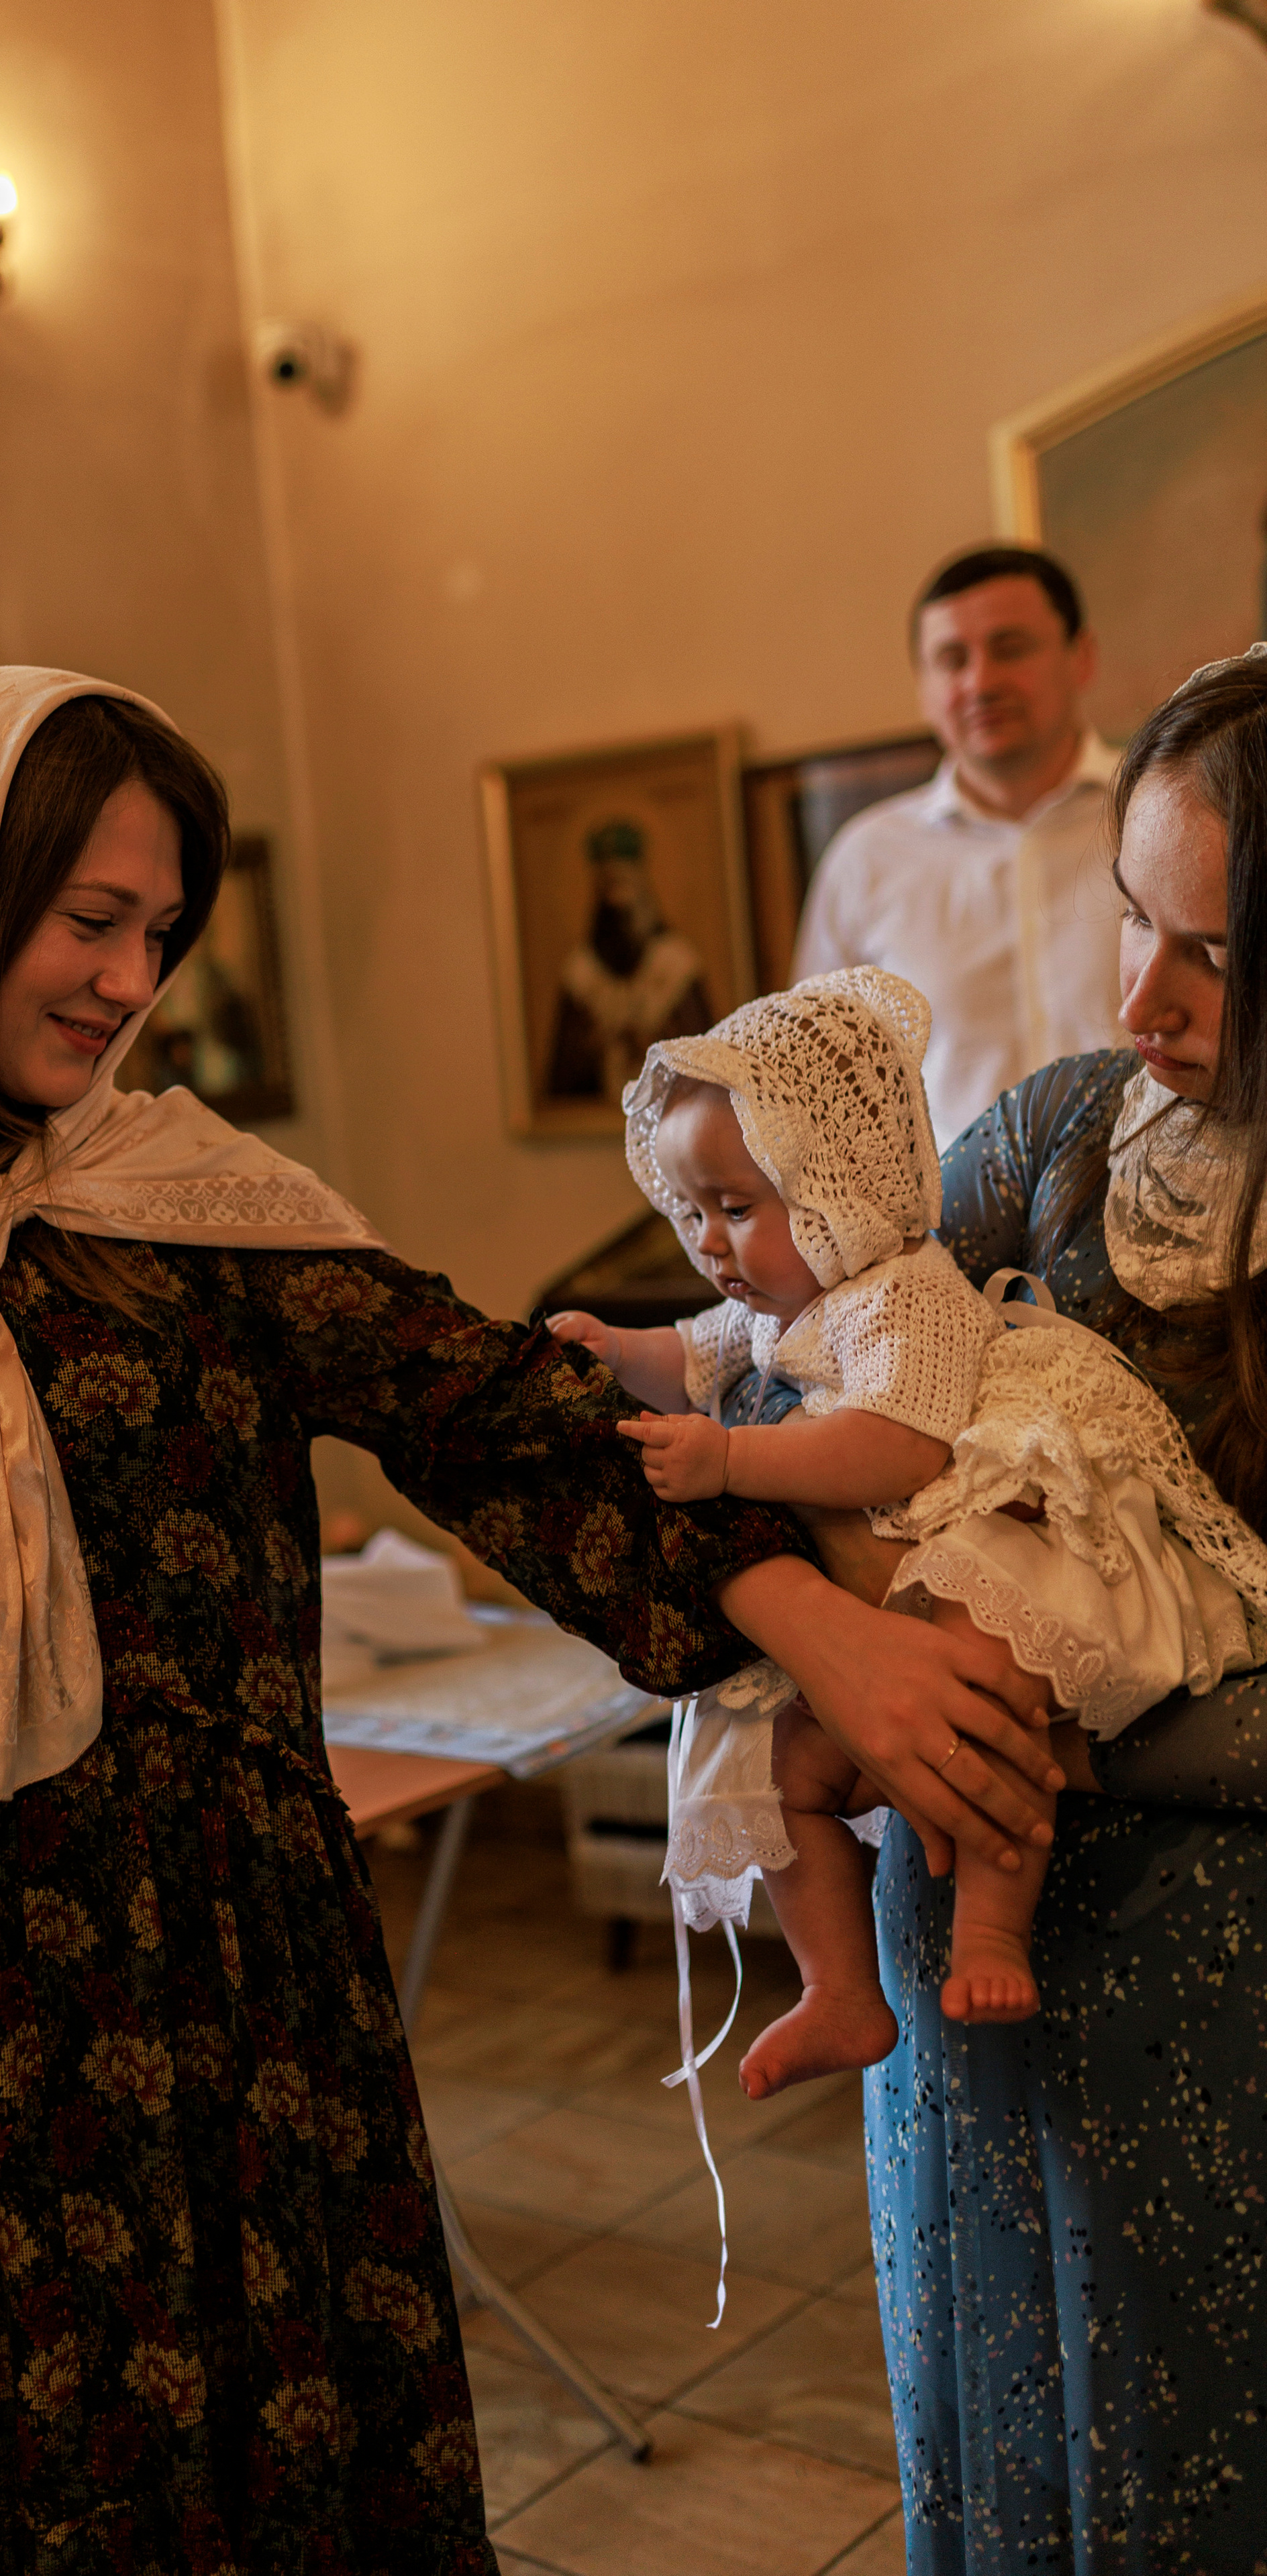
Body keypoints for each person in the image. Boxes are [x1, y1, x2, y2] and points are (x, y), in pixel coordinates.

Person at [0, 667, 1059, 2576]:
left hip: (229, 2028)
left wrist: (810, 1623)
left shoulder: (188, 1209)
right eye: (87, 919)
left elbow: (507, 1423)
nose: (126, 982)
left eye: (159, 937)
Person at [553, 967, 1267, 2102]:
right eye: (691, 1212)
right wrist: (614, 1349)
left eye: (737, 1209)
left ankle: (993, 1924)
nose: (711, 1245)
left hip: (972, 1526)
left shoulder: (904, 1291)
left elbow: (896, 1450)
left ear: (834, 1188)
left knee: (981, 1690)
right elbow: (693, 1350)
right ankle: (838, 1987)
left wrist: (734, 1459)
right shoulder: (774, 1306)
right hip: (877, 1588)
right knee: (788, 1773)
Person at [858, 647, 1267, 2569]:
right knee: (996, 2434)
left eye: (1217, 955)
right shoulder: (1059, 1134)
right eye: (1130, 917)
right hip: (970, 1971)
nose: (1141, 1001)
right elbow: (829, 1370)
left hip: (1232, 2006)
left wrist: (1057, 1721)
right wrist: (849, 1641)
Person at [793, 544, 1121, 1150]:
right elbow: (815, 1084)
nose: (980, 682)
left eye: (1011, 648)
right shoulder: (865, 860)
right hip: (950, 1235)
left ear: (1082, 658)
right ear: (923, 688)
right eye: (951, 659)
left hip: (1166, 1218)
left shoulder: (1164, 814)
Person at [545, 815, 710, 1099]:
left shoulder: (677, 963)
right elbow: (565, 1076)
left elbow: (706, 1062)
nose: (620, 899)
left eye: (626, 883)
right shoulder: (580, 973)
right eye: (610, 887)